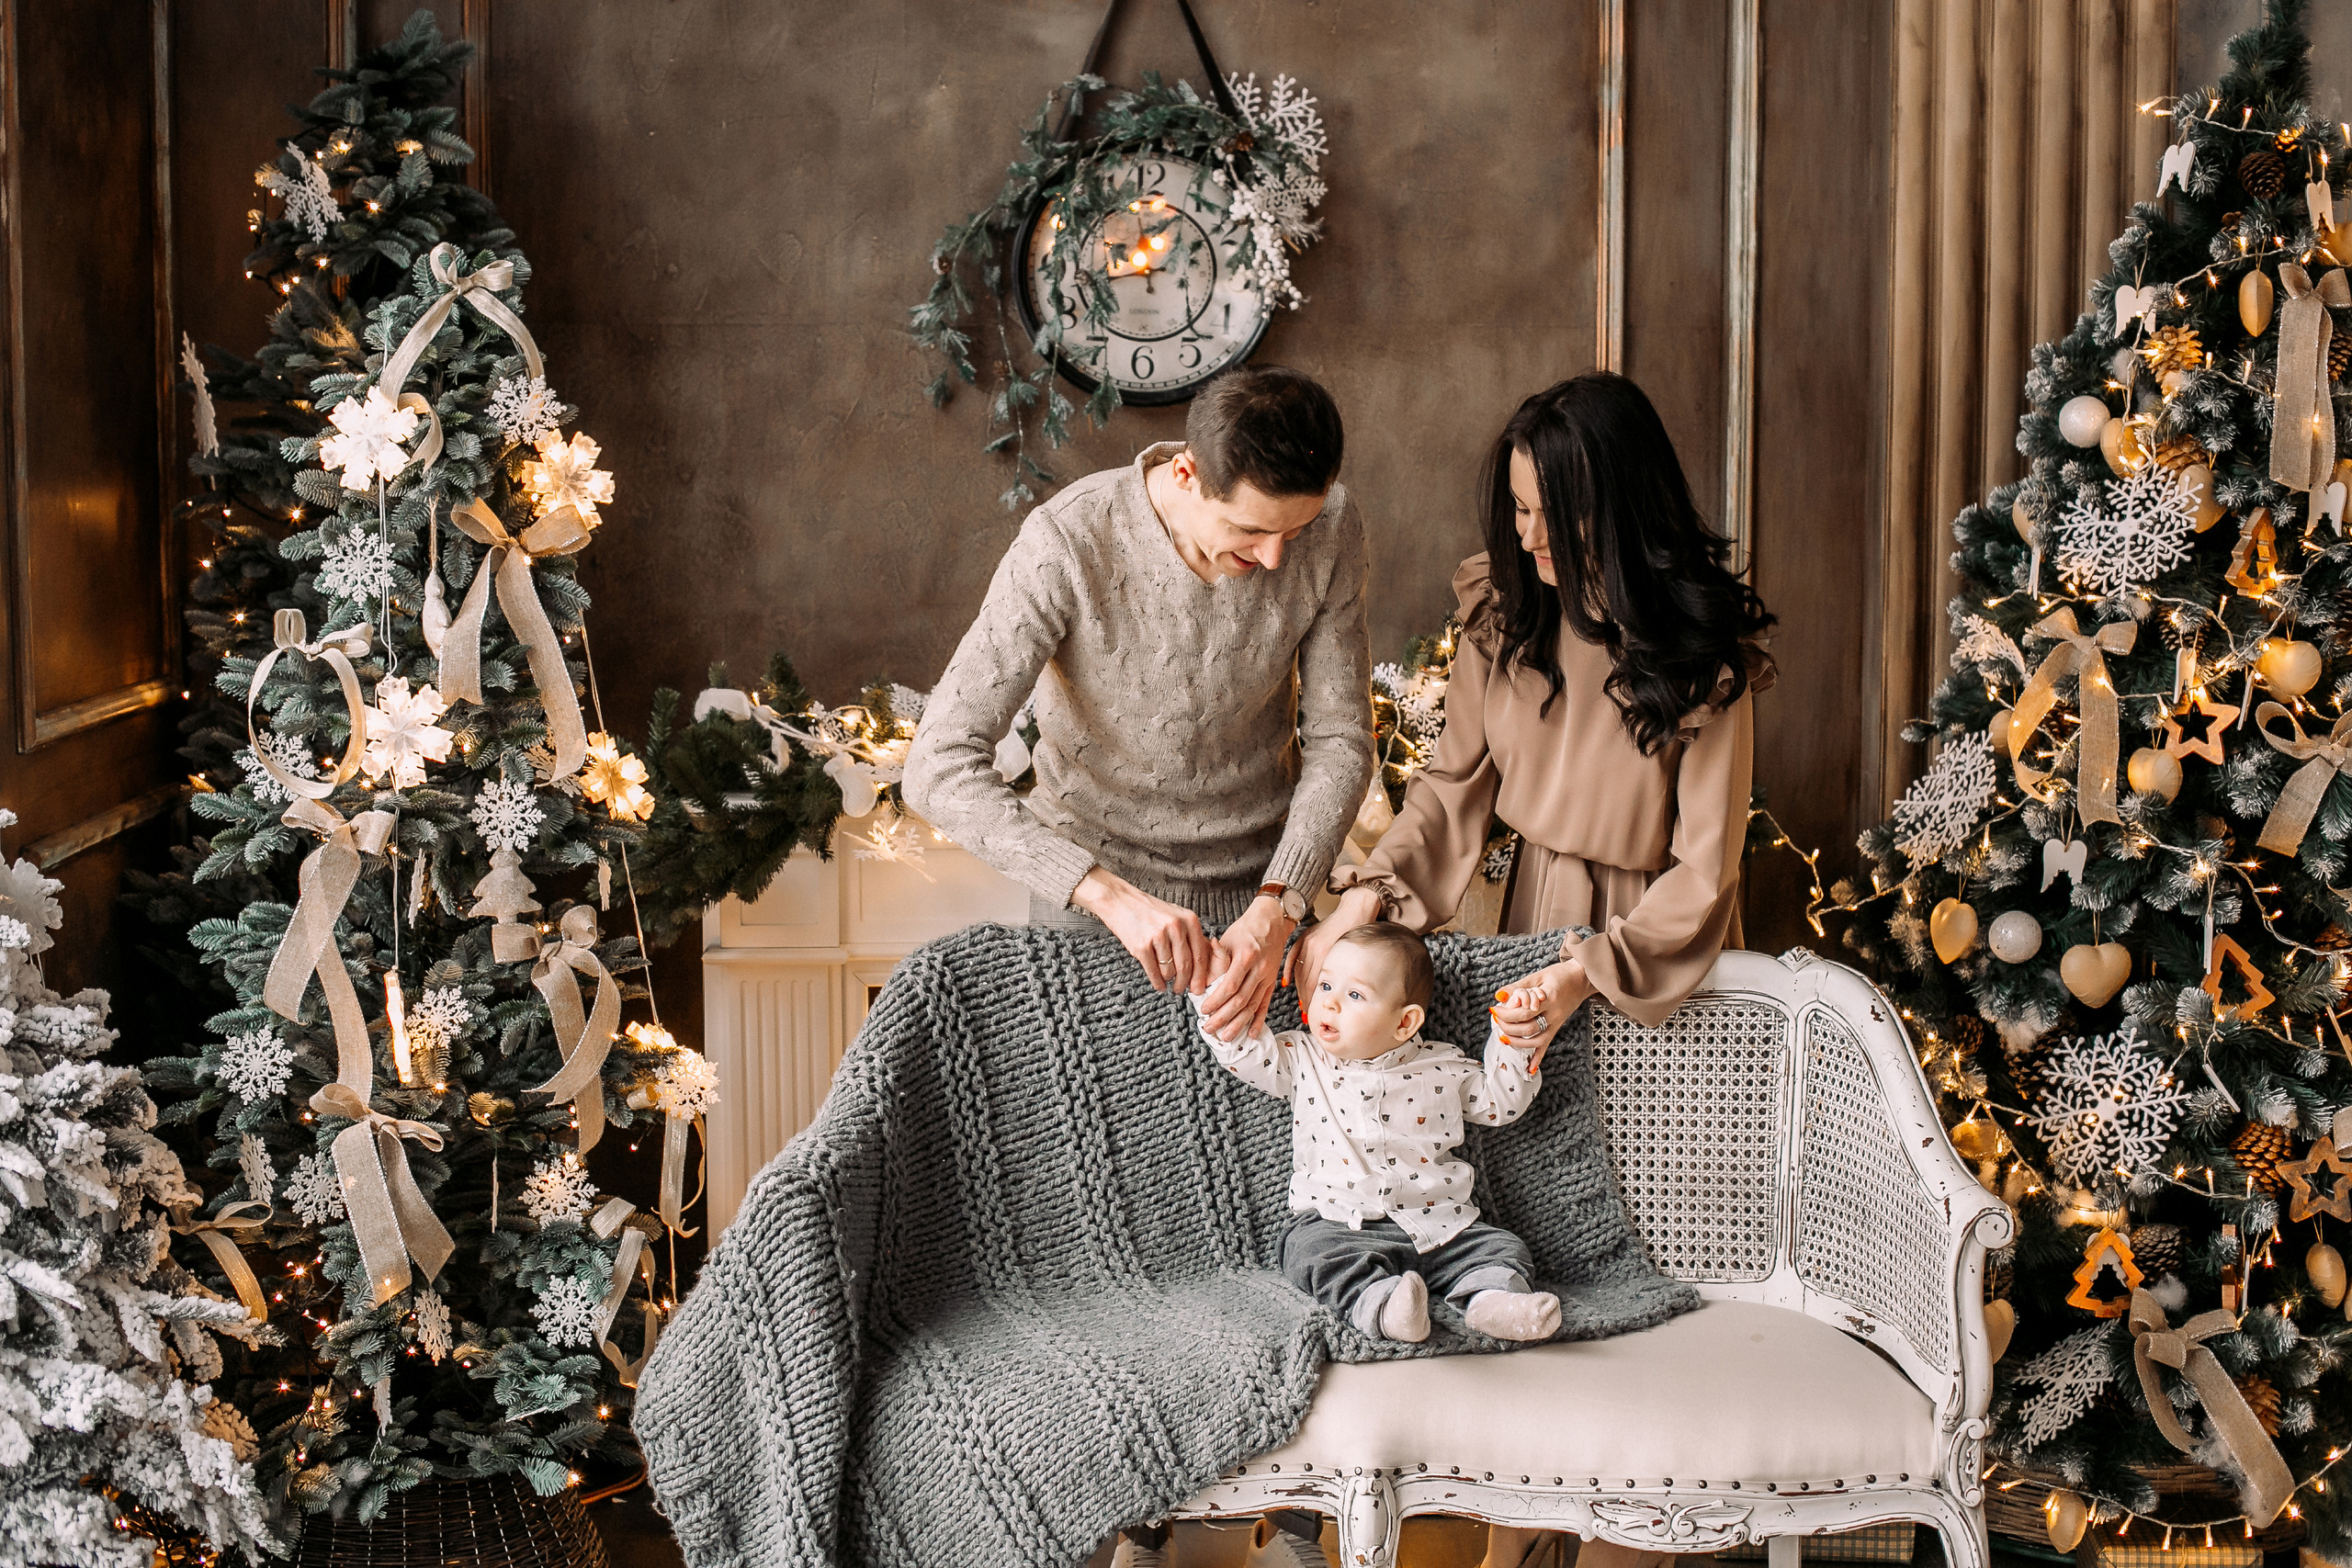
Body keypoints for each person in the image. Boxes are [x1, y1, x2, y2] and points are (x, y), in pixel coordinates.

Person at [1286, 372, 1773, 1568]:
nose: (1533, 538)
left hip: (1659, 975)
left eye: (1558, 515)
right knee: (1526, 1243)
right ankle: (1525, 1531)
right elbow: (1448, 802)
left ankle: (1638, 1536)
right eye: (1518, 511)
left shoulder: (1703, 656)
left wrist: (1587, 971)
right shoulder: (1500, 622)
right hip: (1517, 941)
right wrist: (1366, 899)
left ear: (1624, 506)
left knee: (1646, 1265)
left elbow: (1703, 873)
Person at [904, 366, 1373, 1047]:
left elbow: (1342, 738)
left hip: (1263, 909)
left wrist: (1282, 902)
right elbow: (935, 764)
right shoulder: (1067, 541)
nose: (1276, 558)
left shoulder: (1332, 527)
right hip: (1091, 912)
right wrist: (1106, 893)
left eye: (1292, 532)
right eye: (1249, 530)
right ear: (1186, 474)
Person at [1198, 921, 1562, 1345]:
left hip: (1444, 1227)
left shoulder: (1442, 1067)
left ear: (1406, 1022)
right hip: (1340, 1223)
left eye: (1354, 995)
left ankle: (1492, 1302)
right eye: (1325, 986)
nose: (1329, 1005)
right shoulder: (1302, 1059)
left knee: (1500, 1247)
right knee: (1307, 1252)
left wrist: (1513, 1037)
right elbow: (1242, 1050)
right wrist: (1215, 987)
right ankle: (1385, 1305)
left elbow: (1501, 1102)